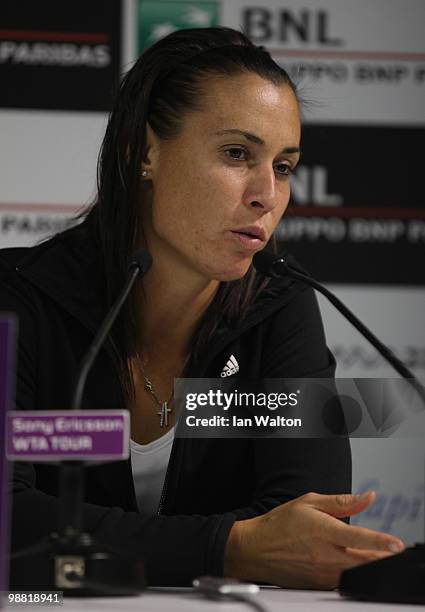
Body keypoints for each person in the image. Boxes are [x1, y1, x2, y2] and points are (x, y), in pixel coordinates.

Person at [1, 26, 404, 590]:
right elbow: (7, 520)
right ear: (141, 154)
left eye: (284, 166)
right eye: (237, 153)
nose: (267, 193)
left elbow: (304, 525)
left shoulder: (279, 308)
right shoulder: (18, 298)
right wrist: (229, 547)